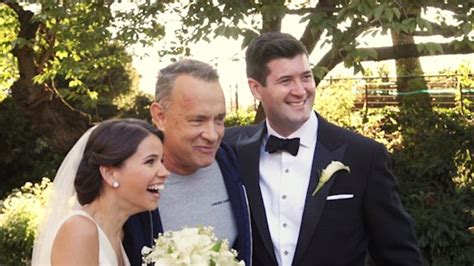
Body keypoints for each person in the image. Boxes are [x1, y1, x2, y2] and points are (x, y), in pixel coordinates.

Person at [224, 32, 423, 266]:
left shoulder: (364, 156)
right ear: (256, 89)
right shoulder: (231, 150)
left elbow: (400, 256)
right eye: (286, 81)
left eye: (306, 77)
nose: (300, 90)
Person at [123, 59, 251, 265]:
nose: (212, 135)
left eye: (219, 120)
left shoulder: (235, 164)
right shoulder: (130, 183)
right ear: (160, 116)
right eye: (197, 120)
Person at [31, 118, 169, 265]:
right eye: (150, 162)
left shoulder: (119, 236)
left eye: (161, 161)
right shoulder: (79, 230)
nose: (164, 172)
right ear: (110, 174)